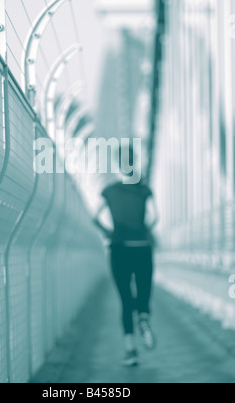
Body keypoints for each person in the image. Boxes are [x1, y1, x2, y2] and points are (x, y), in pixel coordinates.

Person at [93, 146, 158, 367]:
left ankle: (131, 351)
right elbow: (156, 217)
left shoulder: (109, 191)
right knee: (143, 295)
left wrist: (110, 233)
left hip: (119, 248)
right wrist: (142, 229)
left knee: (125, 300)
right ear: (135, 161)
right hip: (142, 247)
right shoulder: (144, 190)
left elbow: (95, 216)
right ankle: (144, 317)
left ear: (117, 164)